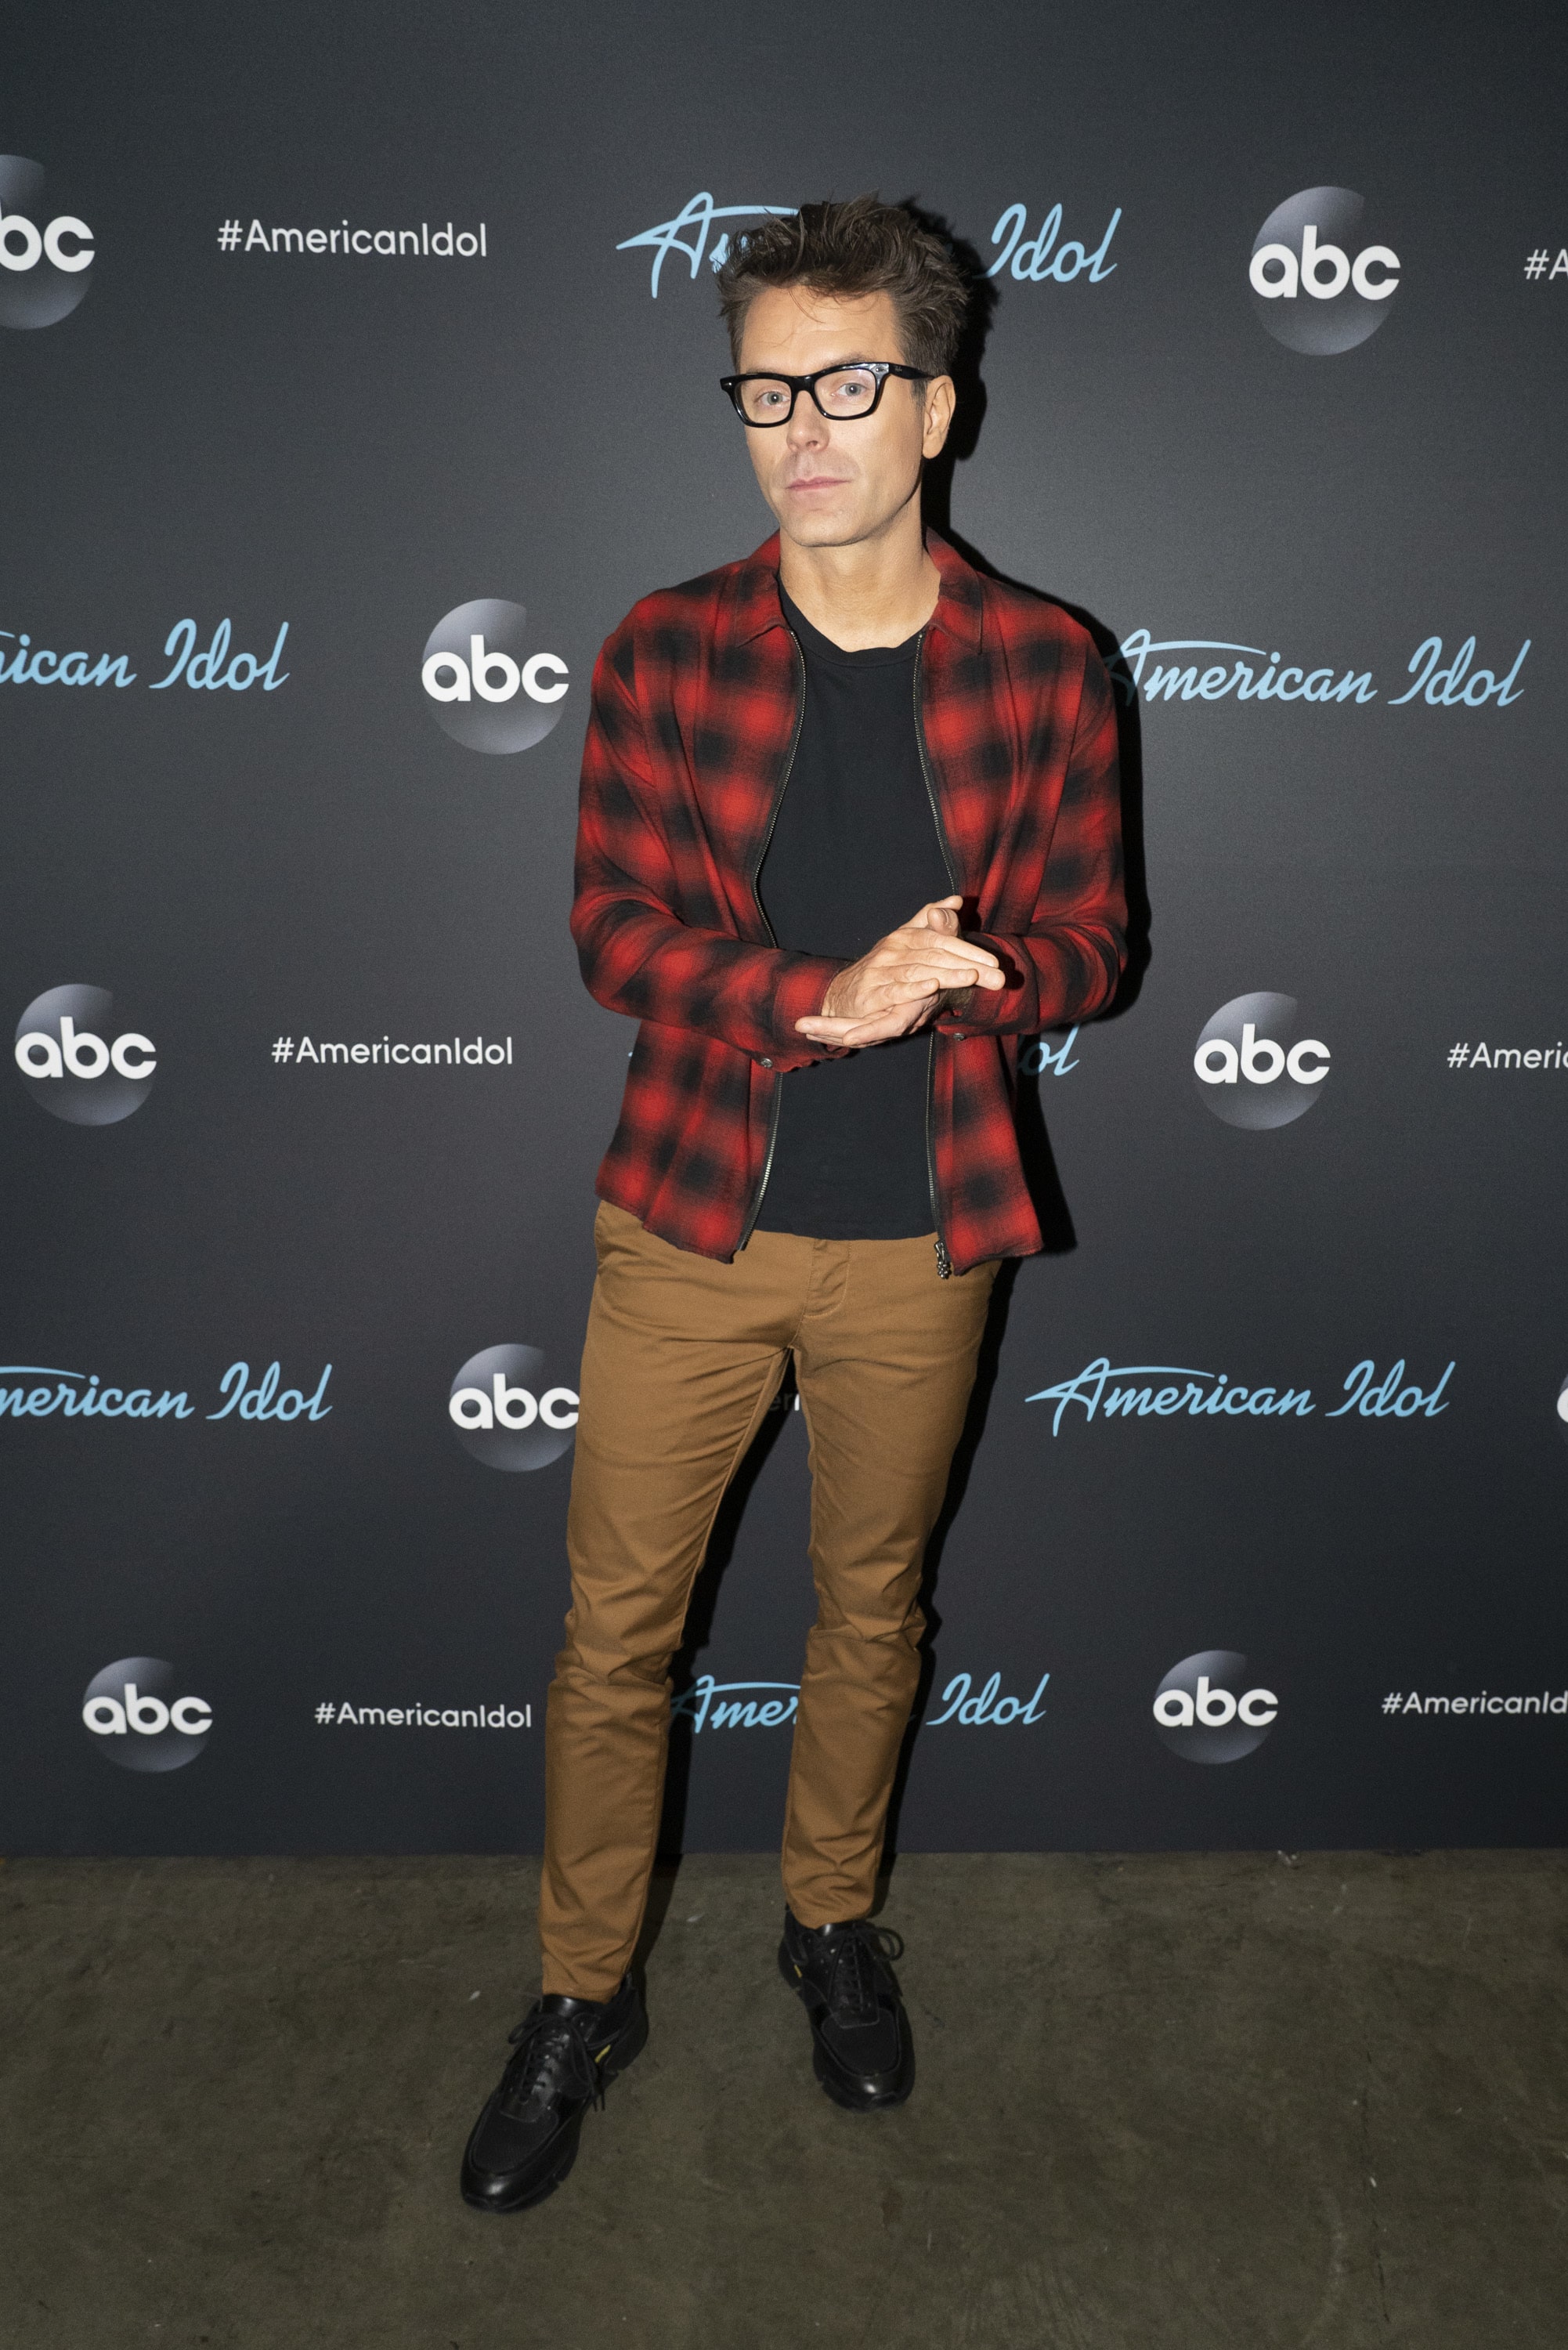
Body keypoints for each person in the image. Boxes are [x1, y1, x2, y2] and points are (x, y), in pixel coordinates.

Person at [461, 194, 1125, 2213]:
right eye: (766, 391)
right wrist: (816, 999)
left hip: (925, 1233)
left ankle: (830, 1926)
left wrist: (975, 977)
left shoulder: (1049, 664)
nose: (801, 431)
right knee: (616, 1634)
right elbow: (613, 931)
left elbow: (1099, 945)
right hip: (691, 1225)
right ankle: (583, 1992)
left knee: (870, 1611)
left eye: (845, 386)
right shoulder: (664, 648)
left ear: (939, 408)